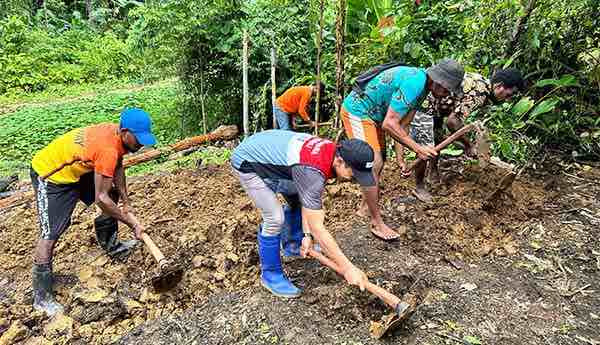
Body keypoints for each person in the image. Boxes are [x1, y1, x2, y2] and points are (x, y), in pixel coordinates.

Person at [30, 108, 157, 316]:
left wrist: (126, 201)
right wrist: (132, 223)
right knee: (51, 233)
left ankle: (112, 245)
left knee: (112, 194)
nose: (141, 144)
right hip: (50, 175)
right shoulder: (107, 149)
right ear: (125, 131)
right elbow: (101, 199)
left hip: (80, 169)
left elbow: (117, 167)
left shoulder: (116, 138)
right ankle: (42, 298)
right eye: (138, 139)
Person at [231, 130, 374, 298]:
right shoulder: (312, 171)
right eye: (354, 174)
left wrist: (307, 235)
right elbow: (318, 228)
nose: (354, 180)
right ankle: (271, 275)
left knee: (299, 196)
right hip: (248, 162)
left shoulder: (329, 153)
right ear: (340, 161)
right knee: (275, 218)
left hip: (268, 148)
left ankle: (293, 243)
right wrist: (350, 269)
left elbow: (307, 198)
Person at [340, 59, 464, 240]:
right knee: (373, 162)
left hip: (374, 117)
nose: (446, 94)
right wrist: (418, 149)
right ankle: (377, 222)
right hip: (358, 111)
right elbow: (390, 124)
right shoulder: (415, 83)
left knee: (380, 161)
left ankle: (365, 209)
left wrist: (401, 160)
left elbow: (402, 126)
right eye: (446, 89)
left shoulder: (423, 89)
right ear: (438, 81)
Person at [395, 68, 525, 201]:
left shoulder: (482, 85)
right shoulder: (480, 92)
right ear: (499, 86)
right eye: (509, 95)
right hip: (425, 104)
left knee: (437, 138)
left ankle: (432, 172)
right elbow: (452, 122)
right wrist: (468, 145)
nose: (507, 99)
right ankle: (419, 187)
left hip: (438, 106)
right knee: (426, 146)